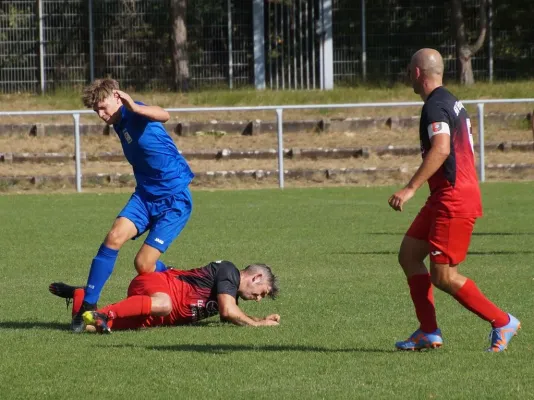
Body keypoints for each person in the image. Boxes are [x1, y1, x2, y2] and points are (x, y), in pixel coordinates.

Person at [388, 48, 520, 352]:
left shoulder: (436, 106)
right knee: (409, 254)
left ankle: (502, 321)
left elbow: (442, 149)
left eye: (409, 69)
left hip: (454, 198)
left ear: (417, 73)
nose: (408, 74)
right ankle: (428, 330)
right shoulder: (450, 101)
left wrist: (409, 188)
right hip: (444, 195)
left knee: (443, 275)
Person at [70, 79, 195, 333]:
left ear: (118, 97)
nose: (101, 115)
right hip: (145, 196)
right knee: (114, 237)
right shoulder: (118, 122)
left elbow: (165, 114)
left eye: (103, 107)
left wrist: (135, 107)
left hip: (174, 199)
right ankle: (88, 307)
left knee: (143, 266)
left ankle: (174, 275)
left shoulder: (134, 112)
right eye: (96, 111)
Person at [49, 260, 280, 332]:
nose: (259, 299)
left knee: (86, 328)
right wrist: (258, 325)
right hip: (159, 287)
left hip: (154, 314)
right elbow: (228, 311)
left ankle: (81, 300)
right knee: (165, 303)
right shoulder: (228, 271)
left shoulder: (229, 294)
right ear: (256, 278)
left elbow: (230, 315)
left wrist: (259, 320)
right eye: (262, 293)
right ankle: (103, 312)